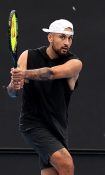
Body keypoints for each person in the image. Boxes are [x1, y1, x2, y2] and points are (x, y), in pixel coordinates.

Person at [7, 19, 82, 175]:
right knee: (66, 164)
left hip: (57, 128)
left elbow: (50, 73)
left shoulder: (75, 63)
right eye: (62, 37)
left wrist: (24, 74)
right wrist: (14, 85)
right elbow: (12, 92)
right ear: (50, 37)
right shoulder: (27, 56)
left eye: (70, 38)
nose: (67, 42)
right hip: (32, 124)